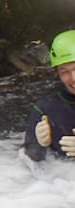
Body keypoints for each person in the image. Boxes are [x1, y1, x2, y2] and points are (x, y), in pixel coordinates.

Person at [23, 29, 75, 162]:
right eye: (65, 72)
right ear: (57, 73)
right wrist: (39, 144)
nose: (73, 78)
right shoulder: (46, 108)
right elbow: (30, 158)